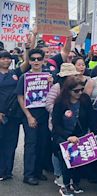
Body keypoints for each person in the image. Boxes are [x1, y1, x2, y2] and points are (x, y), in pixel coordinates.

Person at [51, 76, 96, 195]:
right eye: (76, 91)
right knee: (66, 158)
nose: (80, 93)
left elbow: (91, 117)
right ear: (68, 90)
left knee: (80, 159)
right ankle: (65, 185)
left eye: (81, 89)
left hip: (80, 134)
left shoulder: (85, 99)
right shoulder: (60, 102)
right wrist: (67, 137)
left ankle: (75, 183)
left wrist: (92, 132)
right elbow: (56, 124)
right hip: (63, 135)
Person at [16, 48, 53, 186]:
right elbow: (20, 97)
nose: (36, 61)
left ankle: (38, 171)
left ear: (43, 61)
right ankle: (29, 174)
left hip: (44, 115)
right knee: (31, 145)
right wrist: (29, 116)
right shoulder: (24, 77)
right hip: (29, 115)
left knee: (42, 144)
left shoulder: (48, 76)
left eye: (39, 59)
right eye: (33, 59)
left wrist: (51, 83)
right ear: (29, 61)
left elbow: (53, 94)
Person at [45, 63, 81, 187]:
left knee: (73, 150)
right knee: (58, 150)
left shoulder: (78, 87)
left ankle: (71, 176)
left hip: (73, 126)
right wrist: (60, 112)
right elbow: (48, 103)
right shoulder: (57, 87)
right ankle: (59, 174)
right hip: (58, 125)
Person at [0, 47, 30, 181]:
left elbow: (27, 62)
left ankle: (7, 171)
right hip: (1, 114)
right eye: (2, 58)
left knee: (11, 143)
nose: (5, 60)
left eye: (7, 58)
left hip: (14, 115)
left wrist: (28, 47)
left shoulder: (15, 73)